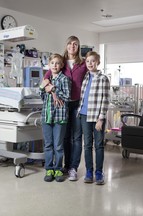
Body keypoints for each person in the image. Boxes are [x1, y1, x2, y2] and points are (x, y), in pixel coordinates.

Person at [43, 36, 88, 181]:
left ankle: (73, 168)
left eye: (75, 44)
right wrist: (51, 89)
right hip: (62, 105)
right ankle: (62, 167)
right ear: (66, 45)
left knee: (76, 137)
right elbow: (45, 80)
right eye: (70, 43)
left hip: (76, 104)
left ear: (78, 47)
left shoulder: (83, 64)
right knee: (63, 138)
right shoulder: (60, 62)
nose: (72, 46)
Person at [77, 51, 110, 185]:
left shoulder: (103, 78)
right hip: (84, 115)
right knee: (87, 145)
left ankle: (99, 172)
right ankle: (89, 172)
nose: (90, 63)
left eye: (93, 61)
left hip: (97, 117)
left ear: (98, 62)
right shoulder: (85, 78)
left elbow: (105, 99)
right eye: (88, 61)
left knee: (98, 145)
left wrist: (101, 118)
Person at [39, 53, 71, 182]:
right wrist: (43, 87)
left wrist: (54, 89)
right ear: (49, 65)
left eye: (57, 63)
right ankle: (49, 169)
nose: (55, 65)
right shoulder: (47, 80)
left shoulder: (64, 79)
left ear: (62, 65)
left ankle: (58, 169)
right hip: (46, 116)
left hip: (59, 117)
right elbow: (42, 97)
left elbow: (68, 97)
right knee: (48, 145)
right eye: (52, 63)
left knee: (58, 145)